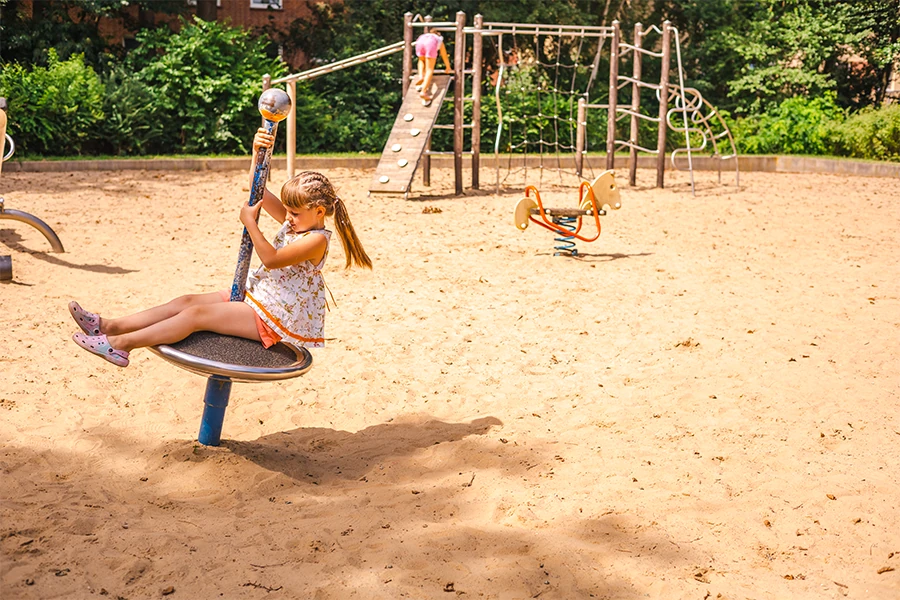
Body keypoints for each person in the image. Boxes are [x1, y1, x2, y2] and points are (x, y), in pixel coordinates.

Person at [69, 129, 372, 367]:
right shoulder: (297, 222)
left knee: (196, 315)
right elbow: (259, 189)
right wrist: (258, 154)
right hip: (259, 298)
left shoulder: (315, 239)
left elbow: (272, 258)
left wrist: (250, 223)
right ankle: (107, 326)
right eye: (288, 212)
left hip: (273, 320)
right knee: (185, 301)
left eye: (295, 213)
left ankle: (120, 347)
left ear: (319, 212)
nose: (288, 217)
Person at [413, 27, 452, 106]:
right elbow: (444, 55)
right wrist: (448, 67)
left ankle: (421, 77)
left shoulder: (424, 35)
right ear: (438, 33)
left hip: (420, 41)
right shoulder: (439, 39)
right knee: (429, 69)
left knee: (421, 60)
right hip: (430, 44)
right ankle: (423, 91)